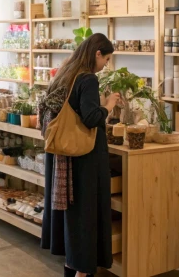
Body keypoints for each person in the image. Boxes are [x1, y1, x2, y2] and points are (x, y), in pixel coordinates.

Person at [39, 33, 121, 277]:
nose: (105, 65)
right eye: (106, 60)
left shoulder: (66, 73)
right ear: (97, 53)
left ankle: (71, 265)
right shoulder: (87, 78)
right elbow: (91, 118)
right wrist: (108, 105)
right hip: (84, 157)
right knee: (86, 214)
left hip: (63, 154)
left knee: (71, 214)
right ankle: (82, 271)